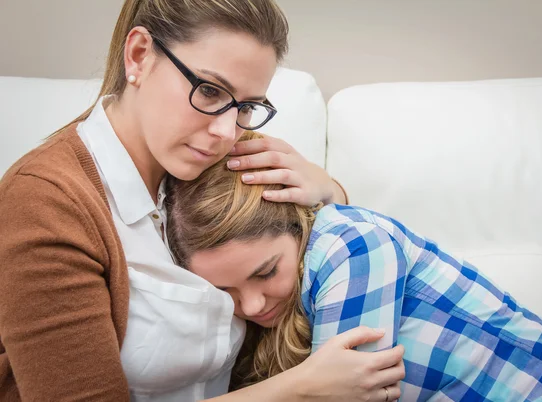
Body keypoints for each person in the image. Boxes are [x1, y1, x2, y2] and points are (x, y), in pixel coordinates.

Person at [0, 1, 405, 401]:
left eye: (246, 107)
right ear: (139, 55)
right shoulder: (45, 204)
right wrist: (298, 389)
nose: (226, 132)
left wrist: (329, 193)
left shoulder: (214, 164)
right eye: (209, 91)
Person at [166, 131, 542, 401]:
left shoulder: (352, 244)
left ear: (299, 226)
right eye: (226, 292)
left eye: (265, 272)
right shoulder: (268, 312)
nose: (253, 304)